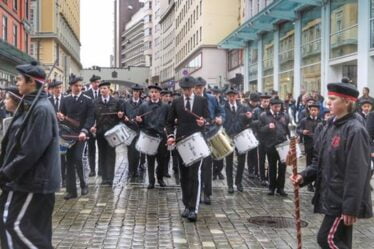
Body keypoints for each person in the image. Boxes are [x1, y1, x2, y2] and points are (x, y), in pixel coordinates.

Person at [290, 82, 372, 249]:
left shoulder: (355, 130)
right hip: (331, 196)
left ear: (347, 102)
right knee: (341, 241)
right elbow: (319, 161)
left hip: (342, 200)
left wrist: (350, 207)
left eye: (333, 99)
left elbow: (357, 172)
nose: (327, 103)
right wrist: (303, 176)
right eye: (328, 98)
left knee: (327, 239)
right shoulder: (329, 126)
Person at [0, 61, 61, 249]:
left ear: (31, 82)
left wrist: (5, 174)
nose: (17, 83)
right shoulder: (31, 105)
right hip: (27, 180)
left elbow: (30, 151)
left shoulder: (41, 109)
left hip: (33, 182)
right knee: (33, 227)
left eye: (19, 80)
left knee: (13, 224)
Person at [166, 76, 209, 222]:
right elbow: (169, 122)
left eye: (189, 89)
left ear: (193, 88)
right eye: (185, 89)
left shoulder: (202, 101)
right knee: (183, 176)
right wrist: (171, 135)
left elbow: (207, 118)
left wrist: (203, 122)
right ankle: (186, 205)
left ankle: (194, 208)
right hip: (181, 142)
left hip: (197, 142)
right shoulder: (177, 102)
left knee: (195, 175)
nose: (187, 92)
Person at [58, 75, 95, 200]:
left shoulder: (88, 100)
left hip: (81, 135)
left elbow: (91, 118)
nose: (78, 88)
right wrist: (61, 117)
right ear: (71, 87)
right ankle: (71, 191)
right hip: (68, 135)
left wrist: (84, 131)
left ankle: (84, 185)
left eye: (80, 85)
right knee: (69, 161)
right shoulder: (65, 99)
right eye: (76, 86)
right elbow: (62, 115)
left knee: (78, 158)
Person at [194, 77, 224, 204]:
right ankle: (197, 193)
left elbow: (220, 111)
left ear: (204, 87)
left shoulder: (211, 98)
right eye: (196, 87)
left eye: (200, 87)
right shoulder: (191, 99)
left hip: (209, 133)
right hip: (195, 134)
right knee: (196, 166)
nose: (198, 90)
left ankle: (207, 194)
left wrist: (220, 118)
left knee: (207, 165)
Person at [136, 83, 169, 189]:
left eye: (156, 92)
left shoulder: (165, 106)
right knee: (150, 160)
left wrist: (166, 130)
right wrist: (139, 121)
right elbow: (140, 123)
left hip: (161, 137)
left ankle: (160, 178)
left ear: (159, 94)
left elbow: (169, 121)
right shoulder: (144, 106)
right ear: (149, 93)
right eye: (152, 92)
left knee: (161, 160)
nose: (154, 94)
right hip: (149, 136)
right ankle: (151, 181)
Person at [91, 81, 123, 186]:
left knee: (111, 154)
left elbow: (121, 116)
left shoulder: (116, 102)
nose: (102, 90)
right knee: (102, 154)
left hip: (112, 133)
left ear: (109, 90)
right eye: (101, 89)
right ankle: (104, 178)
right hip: (100, 132)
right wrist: (92, 126)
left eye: (104, 88)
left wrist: (120, 115)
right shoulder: (95, 102)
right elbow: (92, 117)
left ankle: (110, 178)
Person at [258, 97, 290, 197]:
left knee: (282, 168)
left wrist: (291, 137)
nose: (278, 109)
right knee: (272, 167)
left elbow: (287, 129)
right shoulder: (264, 116)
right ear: (271, 106)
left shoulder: (285, 115)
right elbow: (259, 130)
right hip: (270, 145)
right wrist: (267, 127)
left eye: (279, 107)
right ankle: (271, 188)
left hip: (283, 145)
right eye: (275, 107)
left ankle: (281, 188)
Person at [224, 88, 252, 194]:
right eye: (230, 96)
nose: (232, 97)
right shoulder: (223, 107)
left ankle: (238, 183)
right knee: (229, 162)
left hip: (241, 137)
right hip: (228, 137)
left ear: (237, 96)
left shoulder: (243, 107)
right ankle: (230, 185)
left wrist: (249, 117)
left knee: (241, 162)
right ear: (227, 96)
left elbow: (248, 121)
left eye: (234, 95)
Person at [297, 104, 322, 192]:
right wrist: (302, 131)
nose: (314, 112)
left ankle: (316, 182)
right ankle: (309, 184)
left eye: (315, 110)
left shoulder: (320, 121)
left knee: (318, 163)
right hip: (308, 145)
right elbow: (298, 129)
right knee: (309, 163)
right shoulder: (304, 120)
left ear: (318, 111)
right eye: (312, 110)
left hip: (318, 146)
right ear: (309, 111)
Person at [48, 80, 67, 187]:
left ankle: (63, 179)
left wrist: (64, 117)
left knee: (63, 155)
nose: (58, 90)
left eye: (60, 87)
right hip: (51, 131)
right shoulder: (47, 100)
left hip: (64, 131)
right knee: (52, 155)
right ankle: (53, 177)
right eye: (56, 88)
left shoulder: (66, 99)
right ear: (52, 89)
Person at [123, 84, 144, 179]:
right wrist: (125, 118)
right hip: (129, 130)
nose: (135, 93)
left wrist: (141, 120)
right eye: (134, 92)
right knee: (130, 151)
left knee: (137, 151)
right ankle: (131, 170)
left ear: (139, 93)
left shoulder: (143, 104)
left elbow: (146, 117)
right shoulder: (126, 103)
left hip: (139, 130)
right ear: (132, 92)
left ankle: (135, 170)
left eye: (137, 92)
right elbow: (122, 116)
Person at [253, 93, 272, 186]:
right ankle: (262, 177)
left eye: (268, 101)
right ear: (261, 101)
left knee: (270, 159)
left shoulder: (270, 111)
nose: (266, 103)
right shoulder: (256, 110)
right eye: (264, 101)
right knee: (261, 158)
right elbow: (252, 122)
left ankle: (269, 177)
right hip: (260, 137)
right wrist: (261, 122)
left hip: (270, 138)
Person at [84, 75, 101, 177]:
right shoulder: (86, 94)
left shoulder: (102, 93)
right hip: (90, 125)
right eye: (96, 82)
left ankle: (100, 170)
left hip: (100, 125)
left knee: (101, 147)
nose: (97, 84)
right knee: (91, 149)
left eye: (99, 82)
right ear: (91, 83)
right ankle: (92, 170)